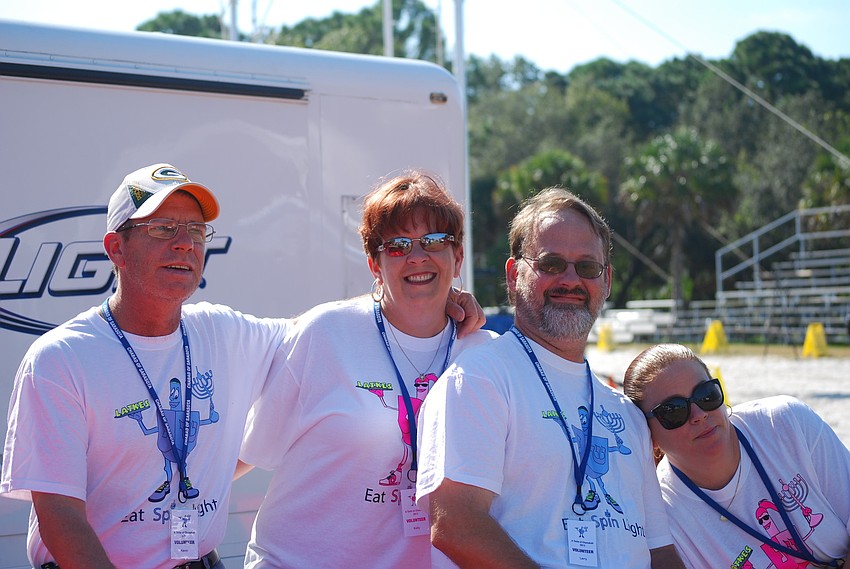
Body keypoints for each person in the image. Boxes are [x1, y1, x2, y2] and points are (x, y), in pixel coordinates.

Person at [0, 163, 485, 569]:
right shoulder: (60, 360)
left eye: (194, 230)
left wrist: (435, 293)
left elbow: (340, 332)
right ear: (115, 249)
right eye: (162, 229)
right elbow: (61, 517)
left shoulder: (225, 333)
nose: (184, 244)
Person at [238, 170, 498, 568]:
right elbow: (249, 452)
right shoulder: (326, 333)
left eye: (433, 241)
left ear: (457, 256)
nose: (417, 256)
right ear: (375, 264)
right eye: (397, 246)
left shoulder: (485, 356)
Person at [416, 187, 685, 568]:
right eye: (551, 264)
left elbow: (658, 550)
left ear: (606, 281)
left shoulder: (626, 415)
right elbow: (455, 523)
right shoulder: (480, 379)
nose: (570, 280)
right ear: (514, 276)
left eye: (587, 267)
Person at [623, 343, 850, 568]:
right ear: (648, 436)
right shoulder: (663, 515)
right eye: (673, 410)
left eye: (706, 395)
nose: (699, 414)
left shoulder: (784, 423)